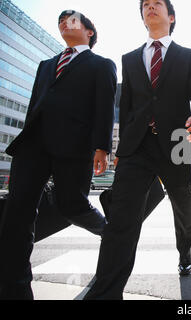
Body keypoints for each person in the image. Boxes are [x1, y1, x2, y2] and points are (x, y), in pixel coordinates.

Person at [84, 0, 191, 300]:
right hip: (137, 146)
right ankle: (105, 293)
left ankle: (185, 250)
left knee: (183, 205)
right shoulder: (129, 58)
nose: (150, 6)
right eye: (146, 5)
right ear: (142, 17)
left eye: (157, 3)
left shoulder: (189, 56)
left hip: (177, 142)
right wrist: (116, 146)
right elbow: (125, 104)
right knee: (122, 219)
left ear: (171, 16)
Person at [0, 10, 117, 300]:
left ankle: (112, 233)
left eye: (72, 20)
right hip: (33, 146)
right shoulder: (45, 64)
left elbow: (104, 106)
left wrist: (102, 147)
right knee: (17, 213)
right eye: (61, 21)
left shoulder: (101, 65)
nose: (65, 23)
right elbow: (34, 106)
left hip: (73, 146)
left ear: (89, 32)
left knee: (71, 205)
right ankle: (15, 290)